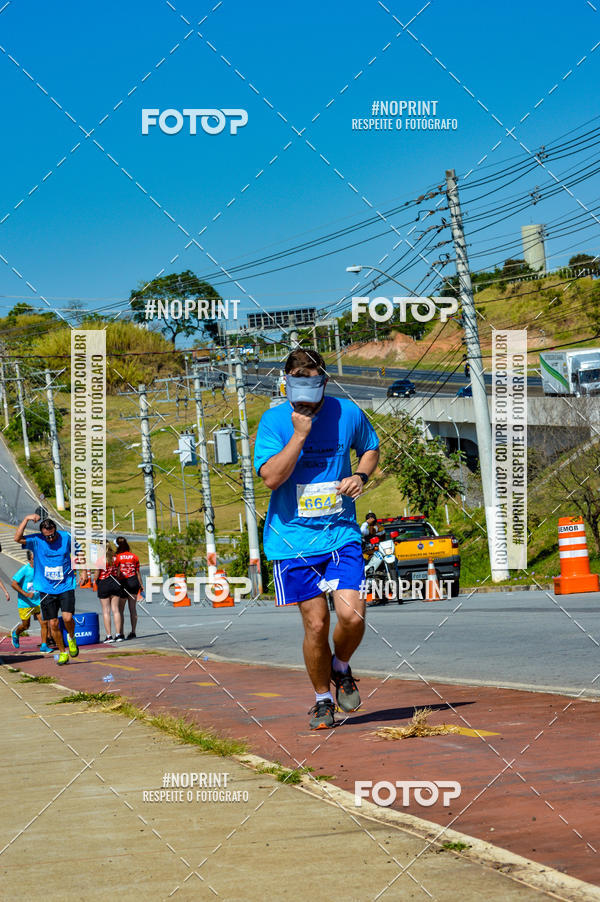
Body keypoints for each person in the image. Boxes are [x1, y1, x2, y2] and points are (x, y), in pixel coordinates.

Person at [254, 348, 380, 730]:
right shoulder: (274, 421)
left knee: (351, 614)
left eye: (311, 377)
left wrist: (361, 475)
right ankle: (323, 700)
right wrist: (300, 433)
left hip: (340, 533)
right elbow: (272, 478)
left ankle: (341, 667)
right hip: (292, 540)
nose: (303, 383)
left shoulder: (348, 413)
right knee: (316, 625)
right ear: (286, 381)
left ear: (324, 380)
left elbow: (370, 448)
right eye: (296, 377)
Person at [14, 514, 88, 666]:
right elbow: (17, 538)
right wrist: (26, 519)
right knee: (53, 623)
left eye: (52, 535)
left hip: (66, 584)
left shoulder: (66, 537)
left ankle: (71, 638)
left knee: (67, 618)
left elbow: (78, 551)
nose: (50, 539)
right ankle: (62, 652)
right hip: (45, 588)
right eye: (47, 536)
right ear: (42, 534)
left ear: (55, 530)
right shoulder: (37, 540)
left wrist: (83, 571)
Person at [10, 550, 54, 652]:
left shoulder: (41, 568)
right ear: (30, 560)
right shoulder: (25, 570)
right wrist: (25, 594)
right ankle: (16, 634)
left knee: (44, 623)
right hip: (25, 602)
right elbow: (14, 584)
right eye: (35, 559)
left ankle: (44, 645)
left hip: (38, 601)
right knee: (26, 625)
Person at [94, 544, 124, 642]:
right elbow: (119, 572)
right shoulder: (116, 558)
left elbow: (97, 574)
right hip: (115, 582)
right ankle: (119, 634)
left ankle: (109, 636)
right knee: (116, 610)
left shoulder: (100, 559)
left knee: (106, 611)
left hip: (104, 583)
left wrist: (95, 581)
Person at [114, 537, 141, 640]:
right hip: (134, 581)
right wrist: (141, 584)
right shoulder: (134, 557)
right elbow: (138, 572)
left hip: (123, 582)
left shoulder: (118, 557)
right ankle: (133, 632)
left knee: (120, 609)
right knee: (132, 608)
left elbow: (117, 572)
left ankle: (120, 632)